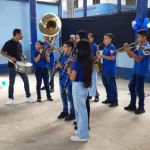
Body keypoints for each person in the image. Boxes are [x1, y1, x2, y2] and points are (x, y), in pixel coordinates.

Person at [67, 40, 93, 142]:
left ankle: (82, 135)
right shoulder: (87, 60)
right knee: (81, 110)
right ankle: (81, 131)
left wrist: (69, 71)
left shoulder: (78, 61)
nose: (76, 50)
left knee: (80, 111)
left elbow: (73, 78)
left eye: (77, 48)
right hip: (84, 85)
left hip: (77, 86)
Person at [1, 29, 33, 105]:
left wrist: (24, 56)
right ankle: (10, 98)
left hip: (20, 65)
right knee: (11, 82)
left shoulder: (19, 44)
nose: (22, 35)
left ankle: (28, 97)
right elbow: (2, 52)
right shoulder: (8, 43)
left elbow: (20, 53)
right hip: (12, 66)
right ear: (16, 34)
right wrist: (10, 57)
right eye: (21, 34)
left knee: (26, 80)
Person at [124, 29, 150, 114]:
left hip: (142, 71)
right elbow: (131, 56)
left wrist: (128, 50)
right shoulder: (139, 45)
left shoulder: (147, 48)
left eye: (138, 37)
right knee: (131, 86)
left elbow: (138, 59)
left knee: (139, 89)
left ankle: (141, 107)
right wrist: (127, 50)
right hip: (136, 70)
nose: (137, 38)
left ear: (144, 37)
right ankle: (132, 105)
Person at [74, 31, 91, 130]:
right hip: (80, 80)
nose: (75, 40)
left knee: (85, 104)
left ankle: (85, 124)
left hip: (83, 80)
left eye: (77, 38)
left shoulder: (86, 48)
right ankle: (80, 121)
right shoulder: (79, 50)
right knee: (80, 105)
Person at [97, 33, 118, 107]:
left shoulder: (112, 47)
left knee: (112, 86)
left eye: (105, 38)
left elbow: (113, 58)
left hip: (110, 70)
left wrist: (102, 56)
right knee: (106, 85)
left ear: (110, 39)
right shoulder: (105, 47)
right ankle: (109, 98)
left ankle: (115, 101)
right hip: (104, 70)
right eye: (104, 38)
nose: (103, 40)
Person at [57, 41, 75, 121]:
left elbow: (71, 68)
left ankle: (72, 113)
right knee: (63, 96)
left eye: (64, 47)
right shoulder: (63, 55)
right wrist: (57, 67)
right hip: (61, 79)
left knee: (70, 97)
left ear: (70, 48)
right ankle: (65, 111)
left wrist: (61, 65)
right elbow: (60, 66)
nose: (63, 49)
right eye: (63, 47)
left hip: (69, 81)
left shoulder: (73, 58)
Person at [88, 33, 100, 102]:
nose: (88, 39)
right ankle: (89, 94)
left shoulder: (96, 46)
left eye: (90, 38)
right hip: (86, 65)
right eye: (87, 38)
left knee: (93, 81)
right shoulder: (85, 46)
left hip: (93, 65)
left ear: (92, 38)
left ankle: (96, 95)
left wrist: (92, 58)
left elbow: (97, 56)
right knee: (88, 81)